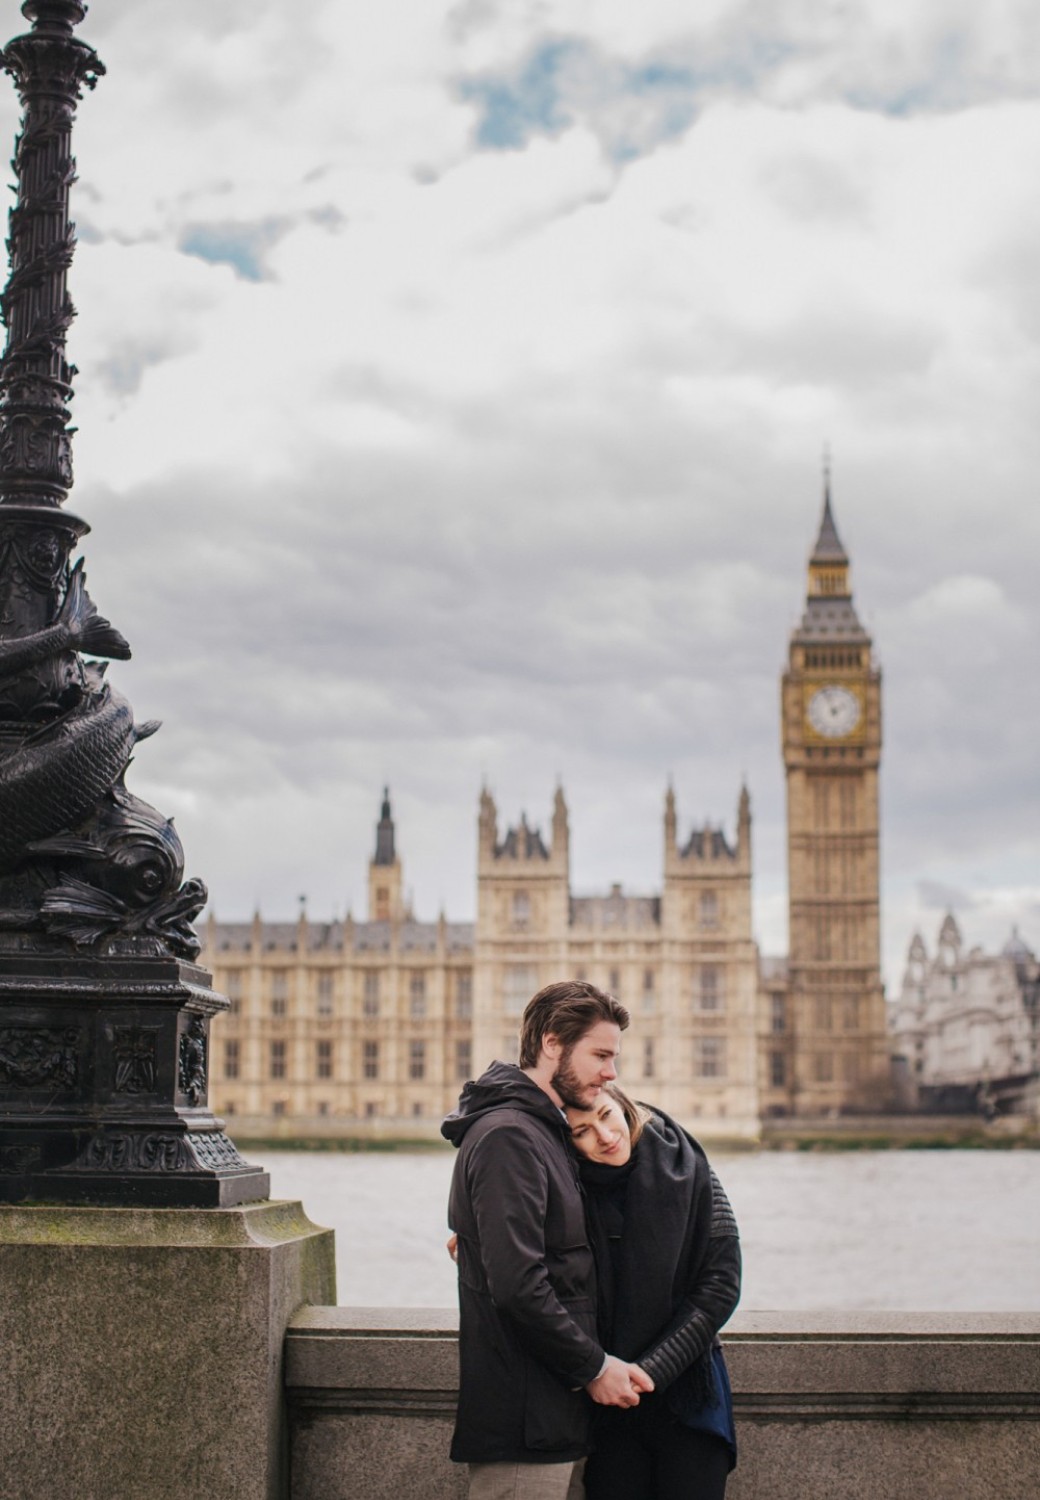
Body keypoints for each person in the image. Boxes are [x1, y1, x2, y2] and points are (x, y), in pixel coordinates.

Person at [442, 980, 655, 1500]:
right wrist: (594, 1367)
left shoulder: (541, 1130)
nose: (612, 1073)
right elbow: (518, 1284)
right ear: (552, 1043)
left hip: (552, 1415)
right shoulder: (510, 1136)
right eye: (601, 1055)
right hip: (525, 1422)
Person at [565, 1083, 741, 1500]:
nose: (606, 1137)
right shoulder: (564, 1190)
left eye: (607, 1116)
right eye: (582, 1131)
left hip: (688, 1397)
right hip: (606, 1403)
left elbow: (721, 1283)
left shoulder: (689, 1167)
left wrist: (651, 1371)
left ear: (623, 1108)